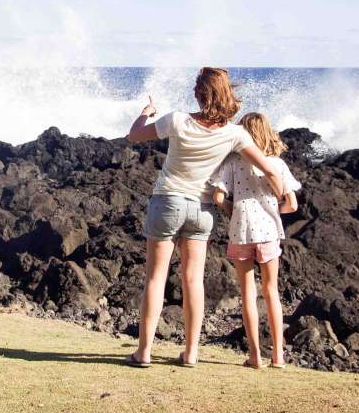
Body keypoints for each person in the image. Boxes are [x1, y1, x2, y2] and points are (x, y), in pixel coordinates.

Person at [125, 68, 285, 367]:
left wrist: (145, 113)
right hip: (202, 211)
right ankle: (191, 353)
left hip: (169, 201)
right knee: (193, 280)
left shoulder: (176, 120)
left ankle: (143, 352)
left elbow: (134, 136)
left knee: (155, 277)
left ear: (199, 94)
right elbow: (269, 168)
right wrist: (280, 198)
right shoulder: (235, 134)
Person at [209, 112, 301, 369]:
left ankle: (255, 355)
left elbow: (218, 197)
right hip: (269, 232)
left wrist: (233, 210)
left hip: (241, 232)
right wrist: (271, 211)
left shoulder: (234, 162)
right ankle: (279, 356)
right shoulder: (278, 165)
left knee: (247, 293)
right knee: (272, 292)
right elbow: (291, 205)